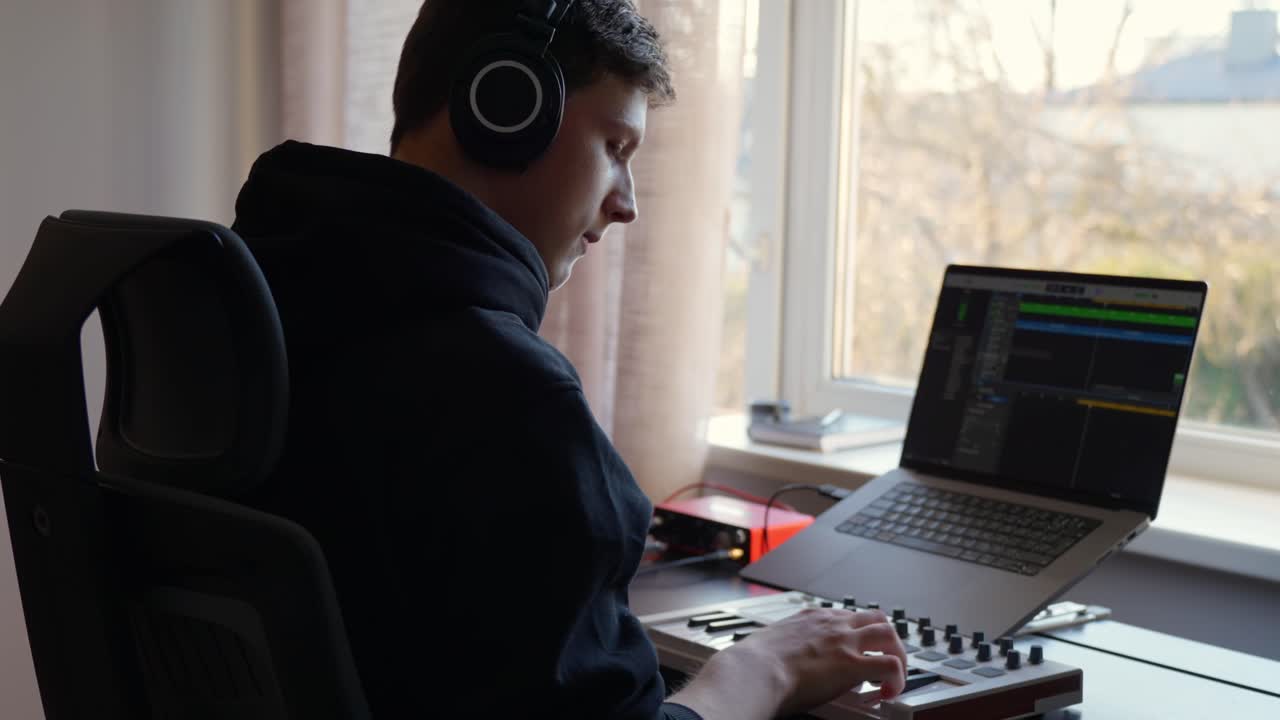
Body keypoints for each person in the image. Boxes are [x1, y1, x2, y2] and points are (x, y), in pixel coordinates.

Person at [231, 1, 908, 718]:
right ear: (506, 108)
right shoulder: (503, 395)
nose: (627, 205)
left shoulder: (246, 305)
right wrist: (765, 667)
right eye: (615, 147)